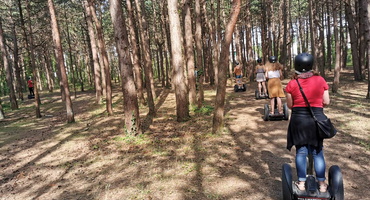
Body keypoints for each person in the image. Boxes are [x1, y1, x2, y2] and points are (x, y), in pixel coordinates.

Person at [285, 53, 330, 193]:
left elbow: (290, 105)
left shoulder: (292, 84)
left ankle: (302, 183)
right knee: (317, 151)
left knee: (301, 151)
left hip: (299, 120)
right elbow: (326, 102)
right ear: (311, 65)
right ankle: (322, 184)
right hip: (316, 119)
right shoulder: (321, 80)